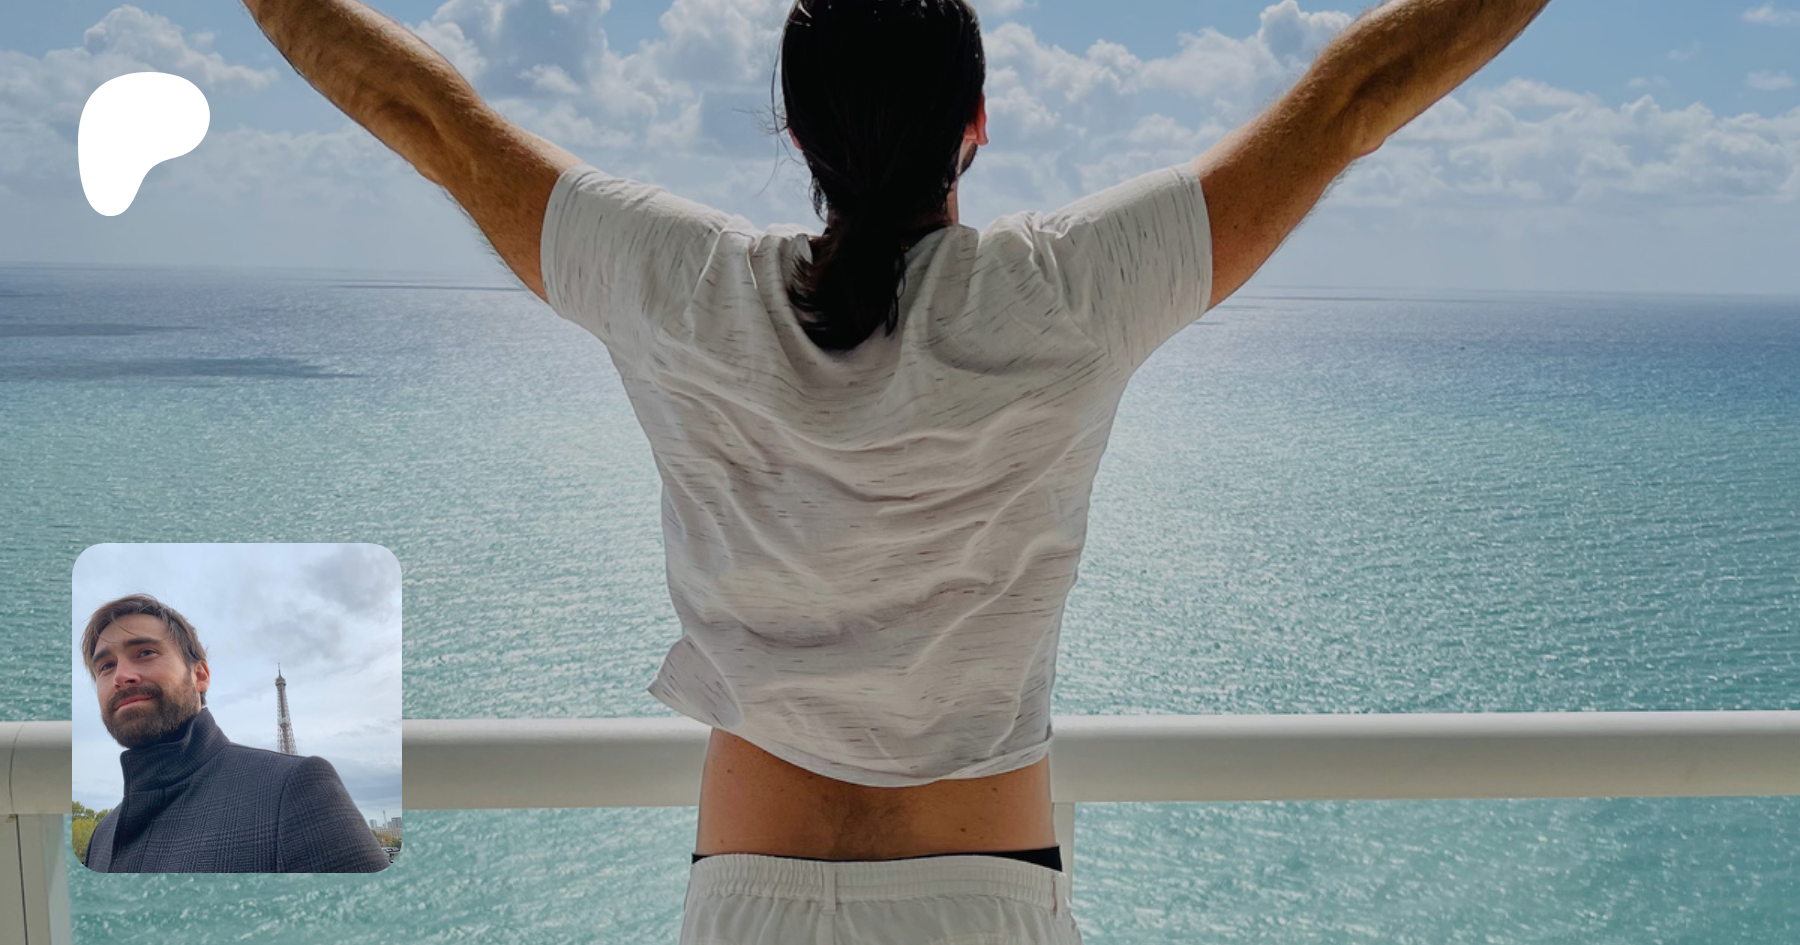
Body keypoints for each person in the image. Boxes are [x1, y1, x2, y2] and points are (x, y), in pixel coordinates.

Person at [241, 0, 1556, 936]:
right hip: (992, 895)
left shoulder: (687, 286)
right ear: (975, 123)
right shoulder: (1068, 292)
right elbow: (1350, 99)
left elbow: (429, 114)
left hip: (747, 897)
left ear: (795, 133)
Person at [78, 593, 389, 873]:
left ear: (200, 675)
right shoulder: (102, 836)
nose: (121, 676)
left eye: (145, 652)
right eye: (105, 666)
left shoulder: (295, 788)